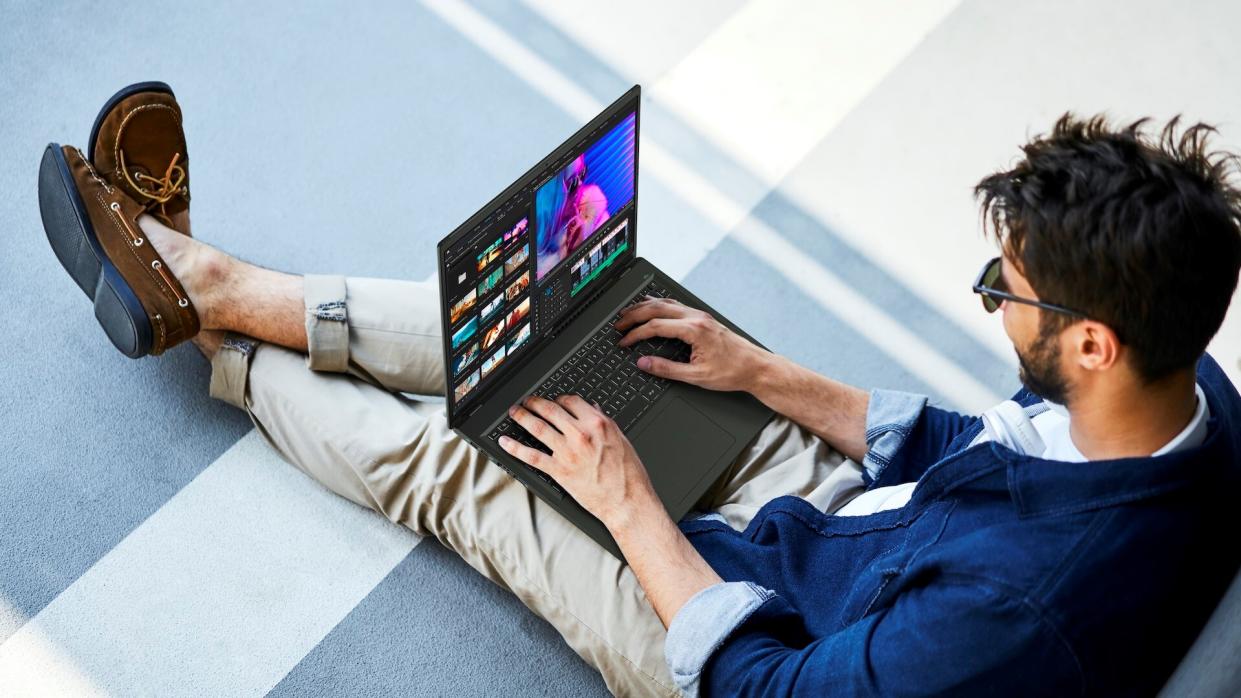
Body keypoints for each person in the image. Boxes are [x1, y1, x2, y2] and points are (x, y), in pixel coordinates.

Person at [39, 83, 1241, 696]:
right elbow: (980, 437)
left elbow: (769, 687)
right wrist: (758, 371)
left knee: (473, 474)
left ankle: (213, 341)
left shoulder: (1003, 622)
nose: (990, 296)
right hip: (855, 526)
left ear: (1089, 343)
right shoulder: (1188, 397)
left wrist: (629, 510)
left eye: (1007, 289)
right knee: (575, 332)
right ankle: (213, 281)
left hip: (758, 623)